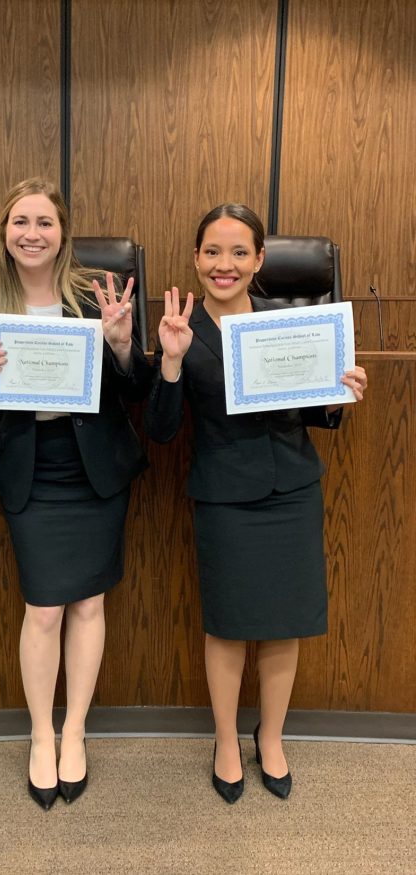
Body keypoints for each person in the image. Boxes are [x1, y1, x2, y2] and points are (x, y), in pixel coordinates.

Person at [145, 203, 368, 803]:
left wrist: (338, 393)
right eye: (213, 252)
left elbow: (310, 407)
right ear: (196, 259)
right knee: (228, 627)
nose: (225, 265)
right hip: (224, 496)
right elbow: (162, 431)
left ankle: (271, 737)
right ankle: (224, 740)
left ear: (260, 259)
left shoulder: (287, 319)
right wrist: (169, 362)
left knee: (283, 627)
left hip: (293, 489)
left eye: (239, 252)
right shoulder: (180, 326)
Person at [0, 178, 151, 809]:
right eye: (20, 221)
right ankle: (41, 735)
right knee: (43, 609)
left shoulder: (98, 299)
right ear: (5, 232)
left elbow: (135, 390)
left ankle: (75, 733)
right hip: (32, 473)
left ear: (62, 233)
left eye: (45, 221)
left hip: (93, 471)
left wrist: (121, 344)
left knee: (89, 607)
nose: (32, 233)